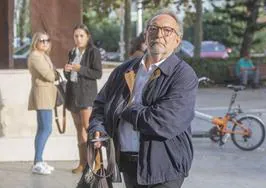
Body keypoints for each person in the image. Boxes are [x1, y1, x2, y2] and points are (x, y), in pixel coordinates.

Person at [89, 10, 198, 188]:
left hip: (165, 166)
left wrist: (126, 110)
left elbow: (164, 122)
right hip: (129, 163)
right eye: (153, 29)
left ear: (177, 40)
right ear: (146, 35)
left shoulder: (183, 75)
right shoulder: (124, 70)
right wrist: (97, 129)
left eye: (167, 30)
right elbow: (101, 105)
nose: (159, 34)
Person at [64, 24, 102, 174]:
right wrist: (66, 70)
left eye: (81, 36)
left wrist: (80, 69)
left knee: (89, 127)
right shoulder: (72, 52)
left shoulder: (93, 52)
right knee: (79, 129)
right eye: (76, 36)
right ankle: (83, 163)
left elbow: (97, 73)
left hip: (86, 95)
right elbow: (70, 75)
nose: (78, 39)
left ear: (87, 37)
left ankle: (98, 163)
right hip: (72, 94)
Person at [28, 32, 57, 175]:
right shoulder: (35, 56)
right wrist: (56, 75)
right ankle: (37, 162)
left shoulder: (44, 56)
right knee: (46, 128)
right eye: (42, 40)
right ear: (35, 42)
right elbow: (49, 75)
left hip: (47, 95)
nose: (45, 43)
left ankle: (38, 160)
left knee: (43, 129)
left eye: (47, 40)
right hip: (42, 96)